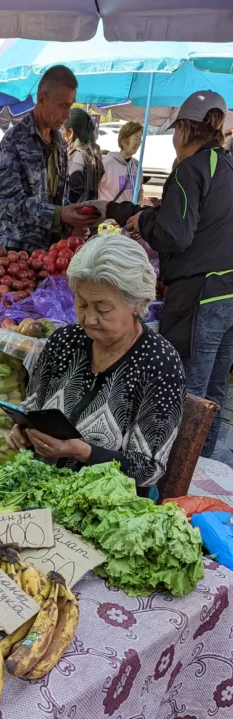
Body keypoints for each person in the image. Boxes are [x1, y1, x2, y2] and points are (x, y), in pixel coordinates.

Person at [105, 91, 233, 458]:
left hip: (200, 296)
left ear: (183, 130)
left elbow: (176, 235)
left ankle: (174, 473)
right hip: (228, 294)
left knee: (189, 391)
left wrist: (145, 220)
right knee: (213, 392)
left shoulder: (189, 169)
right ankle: (201, 469)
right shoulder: (225, 165)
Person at [7, 236, 185, 489]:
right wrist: (23, 431)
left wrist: (80, 451)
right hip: (40, 483)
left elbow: (148, 469)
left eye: (103, 309)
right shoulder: (64, 341)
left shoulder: (159, 363)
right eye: (82, 304)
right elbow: (33, 407)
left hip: (107, 502)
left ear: (136, 304)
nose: (89, 319)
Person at [0, 66, 91, 253]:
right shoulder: (14, 140)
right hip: (15, 252)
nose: (68, 114)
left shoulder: (60, 142)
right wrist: (60, 214)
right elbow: (11, 202)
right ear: (42, 99)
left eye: (71, 105)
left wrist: (73, 222)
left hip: (50, 251)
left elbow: (60, 197)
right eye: (63, 105)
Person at [63, 108, 104, 203]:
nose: (61, 132)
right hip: (88, 212)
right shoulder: (91, 154)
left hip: (75, 214)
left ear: (70, 133)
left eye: (63, 129)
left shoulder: (77, 158)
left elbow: (73, 196)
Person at [98, 120, 143, 203]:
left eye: (140, 138)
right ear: (123, 141)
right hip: (110, 214)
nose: (138, 142)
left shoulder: (137, 165)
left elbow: (139, 191)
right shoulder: (107, 163)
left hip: (130, 214)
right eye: (136, 138)